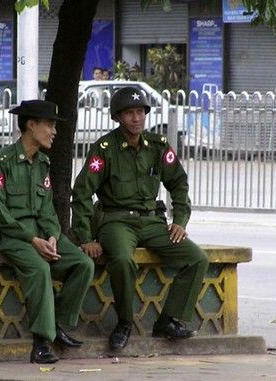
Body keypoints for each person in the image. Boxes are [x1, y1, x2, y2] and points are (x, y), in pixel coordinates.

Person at [71, 87, 209, 350]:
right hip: (116, 221)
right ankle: (124, 322)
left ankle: (167, 320)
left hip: (152, 221)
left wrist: (180, 219)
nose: (136, 118)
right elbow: (82, 193)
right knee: (122, 260)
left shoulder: (157, 146)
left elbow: (178, 182)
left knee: (196, 258)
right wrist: (86, 237)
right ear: (117, 117)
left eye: (140, 112)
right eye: (129, 113)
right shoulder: (104, 148)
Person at [0, 99, 94, 364]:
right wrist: (33, 240)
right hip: (10, 236)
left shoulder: (43, 163)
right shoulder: (1, 162)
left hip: (40, 234)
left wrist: (52, 236)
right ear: (31, 125)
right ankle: (41, 343)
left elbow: (47, 210)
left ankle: (59, 325)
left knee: (82, 264)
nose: (54, 131)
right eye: (49, 124)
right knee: (39, 269)